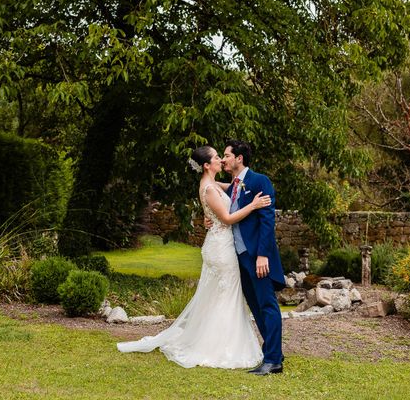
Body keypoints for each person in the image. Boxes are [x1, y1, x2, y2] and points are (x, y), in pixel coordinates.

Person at [116, 146, 271, 369]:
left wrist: (210, 217)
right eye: (217, 157)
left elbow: (233, 191)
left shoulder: (213, 185)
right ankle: (220, 347)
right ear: (207, 165)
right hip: (221, 247)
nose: (221, 160)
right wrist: (254, 205)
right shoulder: (208, 188)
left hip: (218, 244)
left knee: (219, 296)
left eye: (222, 156)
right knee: (227, 295)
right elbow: (227, 218)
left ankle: (219, 341)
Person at [221, 139, 285, 375]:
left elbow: (268, 221)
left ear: (239, 158)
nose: (223, 159)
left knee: (267, 304)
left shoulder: (260, 181)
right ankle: (273, 352)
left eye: (227, 155)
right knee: (256, 306)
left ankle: (273, 361)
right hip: (239, 257)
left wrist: (262, 256)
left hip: (257, 256)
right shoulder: (234, 186)